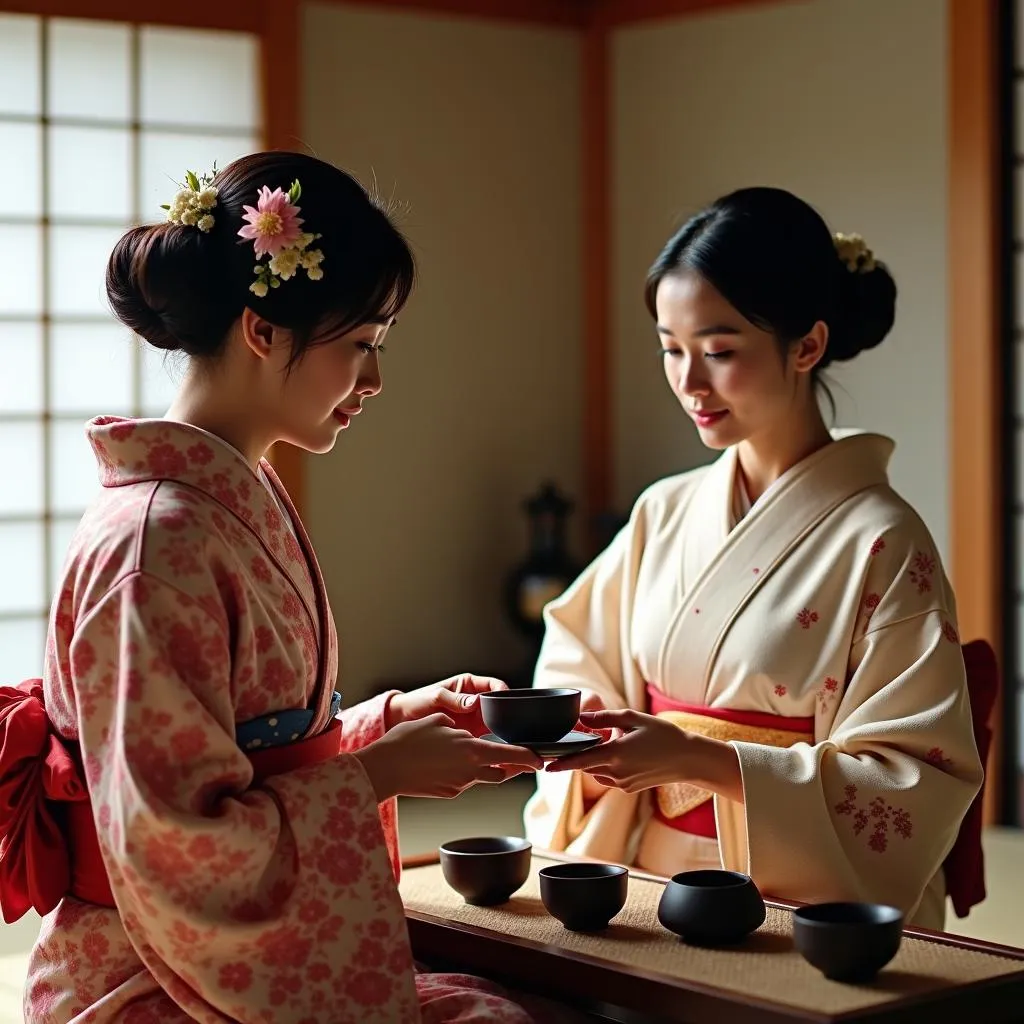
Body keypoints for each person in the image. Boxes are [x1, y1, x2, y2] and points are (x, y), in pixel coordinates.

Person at [2, 152, 579, 1023]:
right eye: (360, 346)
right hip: (146, 977)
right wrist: (378, 774)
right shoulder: (154, 545)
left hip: (200, 965)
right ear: (263, 330)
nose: (375, 381)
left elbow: (257, 754)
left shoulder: (231, 499)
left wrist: (391, 726)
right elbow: (174, 841)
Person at [523, 186, 984, 931]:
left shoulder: (884, 541)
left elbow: (909, 776)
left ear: (806, 346)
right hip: (645, 886)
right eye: (671, 350)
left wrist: (700, 762)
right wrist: (599, 740)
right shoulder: (664, 512)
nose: (689, 383)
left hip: (794, 909)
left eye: (719, 351)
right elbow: (577, 656)